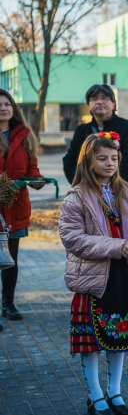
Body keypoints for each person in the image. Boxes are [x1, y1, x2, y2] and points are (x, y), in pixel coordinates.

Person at [59, 133, 128, 415]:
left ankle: (115, 392)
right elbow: (72, 237)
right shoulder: (76, 197)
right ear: (88, 161)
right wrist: (115, 247)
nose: (109, 163)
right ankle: (95, 394)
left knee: (119, 336)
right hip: (93, 281)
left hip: (123, 278)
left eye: (113, 158)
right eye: (102, 158)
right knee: (90, 343)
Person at [0, 90, 45, 326]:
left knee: (11, 259)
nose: (3, 108)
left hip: (15, 208)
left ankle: (8, 303)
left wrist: (36, 179)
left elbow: (32, 168)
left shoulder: (24, 135)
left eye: (7, 103)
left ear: (13, 108)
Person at [63, 85, 128, 185]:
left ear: (114, 104)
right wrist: (80, 183)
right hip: (87, 189)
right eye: (94, 99)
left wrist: (105, 184)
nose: (99, 102)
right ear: (89, 106)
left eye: (105, 98)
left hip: (119, 190)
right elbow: (69, 159)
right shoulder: (81, 130)